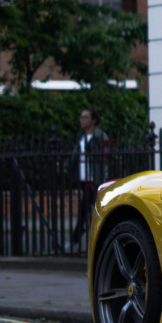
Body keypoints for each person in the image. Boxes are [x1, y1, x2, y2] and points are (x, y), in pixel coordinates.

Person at [69, 107, 110, 250]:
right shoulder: (81, 137)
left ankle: (74, 241)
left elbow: (105, 159)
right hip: (83, 180)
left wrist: (103, 179)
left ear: (93, 120)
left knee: (86, 212)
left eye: (85, 117)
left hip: (95, 181)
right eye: (81, 117)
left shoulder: (100, 137)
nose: (82, 120)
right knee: (86, 212)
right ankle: (81, 237)